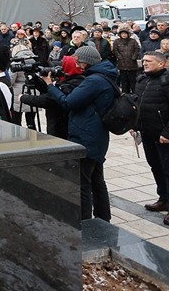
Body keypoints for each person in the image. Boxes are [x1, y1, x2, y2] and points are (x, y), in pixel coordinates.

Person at [44, 45, 117, 221]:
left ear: (85, 62)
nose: (75, 62)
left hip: (86, 136)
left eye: (77, 59)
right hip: (96, 136)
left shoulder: (94, 81)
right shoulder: (104, 76)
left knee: (83, 183)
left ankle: (85, 221)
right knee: (97, 180)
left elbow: (68, 102)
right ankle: (103, 219)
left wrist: (50, 87)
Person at [132, 51, 169, 222]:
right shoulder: (141, 79)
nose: (144, 63)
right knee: (156, 167)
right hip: (147, 132)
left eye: (149, 61)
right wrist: (133, 125)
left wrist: (167, 132)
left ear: (161, 64)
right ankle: (164, 199)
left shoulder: (166, 81)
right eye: (143, 61)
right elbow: (136, 104)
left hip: (163, 135)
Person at [113, 27, 140, 95]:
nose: (124, 35)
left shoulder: (133, 41)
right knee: (124, 80)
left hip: (132, 63)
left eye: (125, 33)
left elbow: (137, 49)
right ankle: (125, 94)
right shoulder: (116, 41)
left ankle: (134, 93)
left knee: (133, 80)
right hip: (122, 63)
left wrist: (134, 57)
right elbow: (115, 50)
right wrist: (120, 57)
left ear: (128, 34)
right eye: (122, 34)